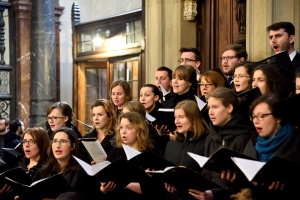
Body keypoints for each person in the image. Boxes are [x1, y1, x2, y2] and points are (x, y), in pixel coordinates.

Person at [188, 87, 254, 200]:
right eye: (209, 107)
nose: (210, 112)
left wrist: (231, 183)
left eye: (215, 107)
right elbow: (206, 172)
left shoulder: (244, 137)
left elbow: (247, 182)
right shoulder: (211, 136)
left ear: (229, 108)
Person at [239, 94, 300, 199]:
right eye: (253, 116)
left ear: (278, 118)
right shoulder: (252, 142)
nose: (256, 121)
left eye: (262, 116)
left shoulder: (296, 141)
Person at [100, 112, 165, 200]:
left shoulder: (150, 155)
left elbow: (157, 190)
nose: (123, 131)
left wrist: (127, 185)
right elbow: (103, 188)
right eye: (121, 127)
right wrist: (104, 189)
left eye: (129, 128)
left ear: (139, 129)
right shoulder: (114, 153)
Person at [32, 127, 101, 199]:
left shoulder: (83, 173)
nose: (58, 146)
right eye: (55, 141)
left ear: (72, 146)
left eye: (63, 141)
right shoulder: (43, 172)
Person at [163, 100, 209, 199]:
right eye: (175, 117)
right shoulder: (171, 144)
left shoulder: (207, 142)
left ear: (193, 118)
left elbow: (208, 177)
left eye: (181, 117)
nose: (176, 121)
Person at [11, 127, 51, 200]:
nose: (26, 145)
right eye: (25, 141)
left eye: (32, 141)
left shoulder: (47, 168)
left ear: (42, 143)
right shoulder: (19, 164)